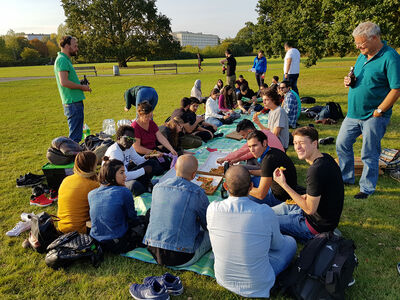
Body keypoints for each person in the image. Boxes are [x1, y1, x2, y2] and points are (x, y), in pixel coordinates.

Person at [207, 165, 297, 298]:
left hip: (222, 278)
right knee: (290, 243)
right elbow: (277, 246)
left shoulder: (212, 208)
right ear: (251, 187)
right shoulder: (265, 212)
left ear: (225, 186)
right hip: (258, 284)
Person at [336, 21, 400, 199]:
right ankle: (346, 177)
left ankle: (367, 188)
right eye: (356, 44)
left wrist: (380, 110)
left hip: (374, 115)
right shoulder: (362, 55)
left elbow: (396, 88)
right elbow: (358, 76)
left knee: (369, 152)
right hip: (353, 113)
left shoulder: (391, 57)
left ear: (375, 38)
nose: (358, 47)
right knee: (342, 144)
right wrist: (350, 80)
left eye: (361, 44)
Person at [273, 127, 344, 242]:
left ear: (314, 143)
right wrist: (307, 196)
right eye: (295, 143)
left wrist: (283, 184)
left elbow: (310, 209)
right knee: (266, 212)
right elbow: (327, 191)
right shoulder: (326, 157)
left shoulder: (316, 170)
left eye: (301, 143)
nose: (297, 147)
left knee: (266, 220)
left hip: (313, 227)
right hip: (317, 217)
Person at [143, 155, 210, 267]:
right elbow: (208, 224)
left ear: (174, 168)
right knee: (214, 233)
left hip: (154, 250)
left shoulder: (158, 187)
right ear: (194, 174)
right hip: (182, 257)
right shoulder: (197, 193)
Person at [89, 157, 146, 253]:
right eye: (121, 173)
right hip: (117, 243)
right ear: (111, 174)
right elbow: (132, 217)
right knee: (146, 218)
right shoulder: (124, 191)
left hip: (96, 241)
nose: (125, 177)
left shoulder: (91, 194)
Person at [104, 125, 162, 196]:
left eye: (133, 139)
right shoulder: (115, 152)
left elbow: (138, 161)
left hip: (125, 175)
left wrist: (146, 157)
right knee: (134, 185)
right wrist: (143, 170)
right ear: (119, 138)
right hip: (115, 183)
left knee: (152, 163)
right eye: (128, 138)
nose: (131, 142)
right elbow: (124, 176)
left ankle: (146, 185)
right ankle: (146, 187)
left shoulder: (129, 147)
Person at [54, 36, 91, 143]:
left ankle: (74, 156)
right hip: (72, 103)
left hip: (74, 102)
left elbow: (67, 80)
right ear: (66, 46)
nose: (77, 49)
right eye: (75, 46)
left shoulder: (65, 60)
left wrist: (80, 83)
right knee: (75, 138)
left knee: (77, 136)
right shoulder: (62, 60)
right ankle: (73, 158)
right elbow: (64, 82)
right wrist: (82, 87)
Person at [246, 130, 297, 206]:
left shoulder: (268, 160)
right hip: (289, 190)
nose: (252, 150)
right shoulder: (273, 151)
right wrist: (250, 172)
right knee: (252, 179)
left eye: (255, 145)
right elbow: (267, 172)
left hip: (279, 198)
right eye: (249, 147)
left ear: (264, 143)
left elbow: (260, 194)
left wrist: (239, 188)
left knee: (241, 195)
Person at [57, 151, 99, 234]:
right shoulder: (93, 185)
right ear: (92, 165)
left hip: (61, 226)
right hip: (80, 230)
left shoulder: (66, 180)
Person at [217, 119, 284, 168]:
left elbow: (240, 151)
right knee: (248, 160)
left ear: (249, 131)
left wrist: (224, 159)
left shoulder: (255, 138)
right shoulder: (263, 132)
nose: (243, 138)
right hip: (278, 160)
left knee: (241, 169)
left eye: (243, 135)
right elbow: (250, 153)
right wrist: (239, 159)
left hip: (275, 166)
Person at [131, 102, 178, 172]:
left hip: (153, 150)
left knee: (167, 164)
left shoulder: (151, 123)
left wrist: (171, 149)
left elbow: (160, 137)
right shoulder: (135, 127)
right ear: (139, 114)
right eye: (146, 116)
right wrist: (153, 153)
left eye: (150, 116)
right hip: (143, 154)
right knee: (158, 169)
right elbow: (137, 147)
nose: (149, 118)